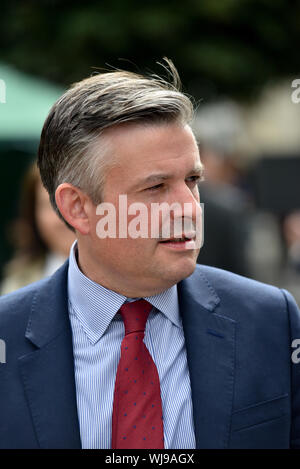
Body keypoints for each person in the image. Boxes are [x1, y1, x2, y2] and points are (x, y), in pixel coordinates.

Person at [0, 60, 300, 449]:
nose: (190, 208)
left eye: (192, 180)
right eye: (156, 187)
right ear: (77, 207)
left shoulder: (271, 321)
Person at [1, 162, 76, 294]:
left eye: (75, 202)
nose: (63, 218)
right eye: (51, 205)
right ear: (33, 214)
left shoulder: (120, 281)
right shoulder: (16, 286)